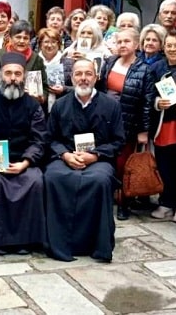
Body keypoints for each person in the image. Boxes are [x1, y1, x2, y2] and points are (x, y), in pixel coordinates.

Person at [44, 58, 125, 261]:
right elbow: (50, 138)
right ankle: (59, 243)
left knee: (99, 180)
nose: (83, 78)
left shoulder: (111, 105)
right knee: (53, 178)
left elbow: (118, 140)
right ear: (71, 77)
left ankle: (96, 244)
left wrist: (95, 155)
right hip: (65, 158)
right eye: (78, 74)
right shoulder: (61, 105)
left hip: (98, 160)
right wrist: (65, 154)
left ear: (96, 77)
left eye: (88, 74)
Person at [0, 53, 47, 254]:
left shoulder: (33, 105)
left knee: (35, 181)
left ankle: (26, 241)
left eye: (18, 74)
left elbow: (39, 140)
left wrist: (25, 162)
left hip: (23, 162)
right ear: (0, 75)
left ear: (24, 77)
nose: (13, 78)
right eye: (8, 73)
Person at [97, 27, 156, 219]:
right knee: (107, 161)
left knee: (124, 165)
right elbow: (101, 89)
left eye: (126, 41)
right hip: (105, 120)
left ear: (136, 45)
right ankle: (106, 200)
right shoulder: (110, 62)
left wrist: (144, 130)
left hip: (129, 123)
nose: (122, 45)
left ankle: (124, 203)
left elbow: (147, 102)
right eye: (119, 41)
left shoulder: (144, 69)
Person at [150, 29, 176, 224]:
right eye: (169, 46)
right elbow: (148, 94)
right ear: (164, 47)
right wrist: (158, 102)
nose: (173, 49)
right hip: (165, 123)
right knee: (165, 164)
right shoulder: (157, 67)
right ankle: (166, 202)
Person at [0, 21, 46, 101]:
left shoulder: (36, 59)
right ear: (10, 38)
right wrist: (10, 87)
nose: (22, 41)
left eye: (25, 38)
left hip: (27, 105)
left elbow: (44, 85)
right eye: (18, 37)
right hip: (0, 101)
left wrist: (41, 97)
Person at [37, 28, 68, 113]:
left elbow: (75, 88)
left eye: (53, 42)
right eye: (46, 42)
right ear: (40, 44)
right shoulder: (34, 62)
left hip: (62, 109)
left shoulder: (68, 62)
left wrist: (64, 89)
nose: (50, 45)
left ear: (59, 44)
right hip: (39, 109)